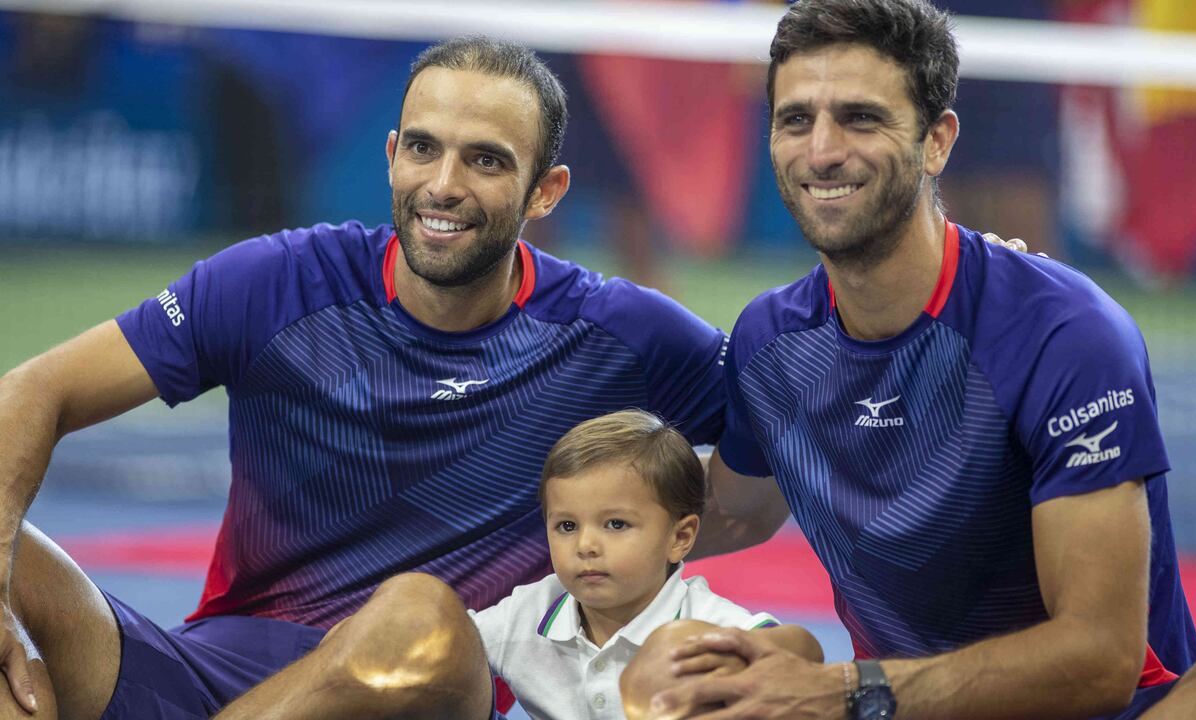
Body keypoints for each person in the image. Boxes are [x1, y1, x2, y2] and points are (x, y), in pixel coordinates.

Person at [0, 37, 743, 720]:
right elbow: (37, 389)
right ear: (392, 156)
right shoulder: (276, 281)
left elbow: (778, 430)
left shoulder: (624, 335)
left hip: (418, 693)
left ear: (544, 191)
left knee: (420, 614)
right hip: (204, 681)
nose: (443, 185)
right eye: (423, 148)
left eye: (485, 161)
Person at [628, 1, 1196, 718]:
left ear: (936, 142)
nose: (822, 150)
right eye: (796, 119)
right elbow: (731, 512)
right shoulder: (772, 342)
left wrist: (845, 691)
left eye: (861, 118)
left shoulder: (1063, 335)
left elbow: (1099, 657)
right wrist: (560, 543)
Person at [464, 409, 821, 719]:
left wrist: (785, 653)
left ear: (680, 537)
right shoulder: (528, 611)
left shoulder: (710, 626)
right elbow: (446, 644)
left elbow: (800, 658)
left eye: (616, 524)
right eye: (567, 526)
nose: (585, 546)